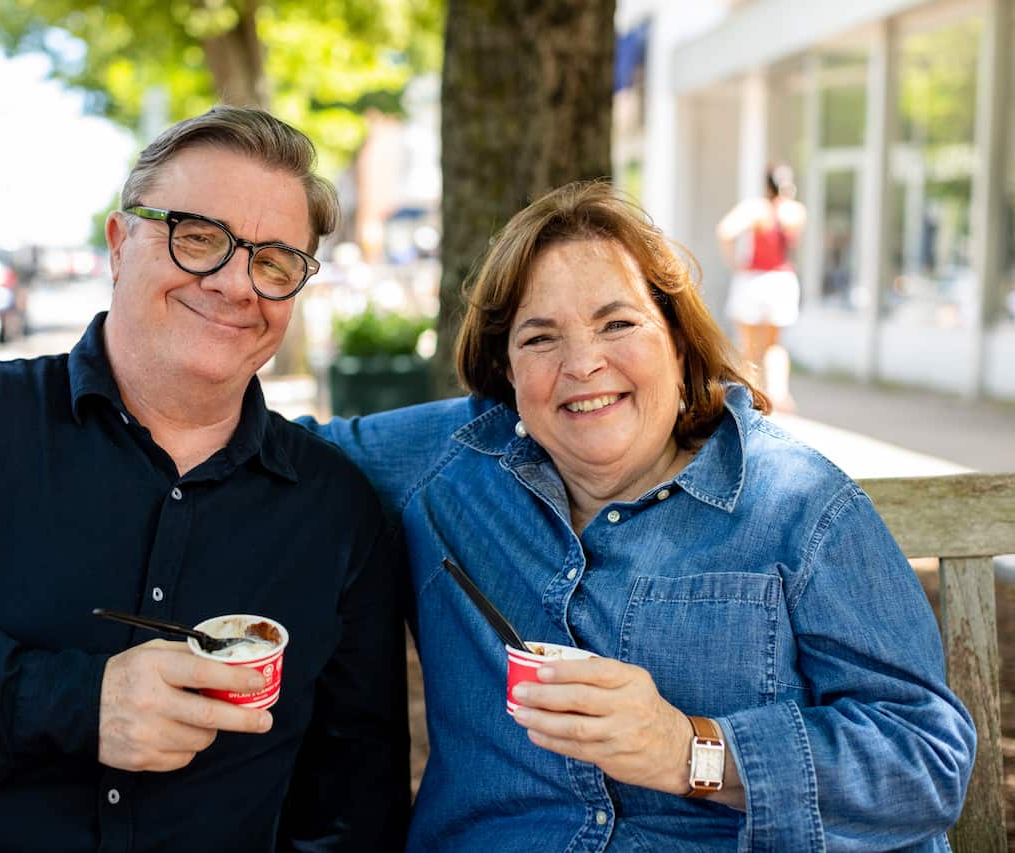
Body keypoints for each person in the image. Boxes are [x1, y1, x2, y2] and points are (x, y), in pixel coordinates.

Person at [0, 106, 409, 852]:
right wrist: (82, 703)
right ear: (120, 244)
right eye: (197, 237)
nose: (235, 283)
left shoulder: (333, 507)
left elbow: (351, 807)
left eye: (276, 261)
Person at [301, 181, 974, 850]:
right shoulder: (451, 463)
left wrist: (690, 750)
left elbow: (926, 758)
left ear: (678, 342)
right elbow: (262, 451)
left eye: (617, 324)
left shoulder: (797, 503)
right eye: (540, 338)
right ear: (506, 370)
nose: (583, 364)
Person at [716, 163, 807, 412]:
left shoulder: (756, 208)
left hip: (754, 279)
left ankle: (750, 394)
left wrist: (735, 263)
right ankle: (779, 393)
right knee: (775, 344)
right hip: (782, 280)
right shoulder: (795, 211)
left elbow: (725, 231)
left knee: (749, 345)